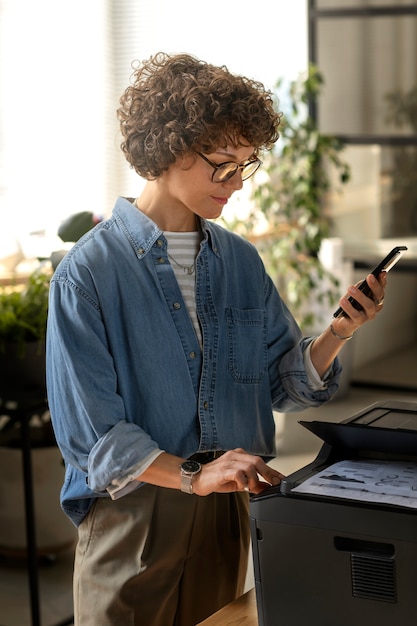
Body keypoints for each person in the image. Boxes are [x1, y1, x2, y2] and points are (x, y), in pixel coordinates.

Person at [46, 52, 387, 626]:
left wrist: (337, 332)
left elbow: (283, 382)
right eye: (222, 165)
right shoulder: (87, 275)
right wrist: (190, 475)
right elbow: (93, 438)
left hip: (228, 501)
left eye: (245, 166)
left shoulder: (240, 262)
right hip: (136, 511)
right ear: (167, 148)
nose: (234, 184)